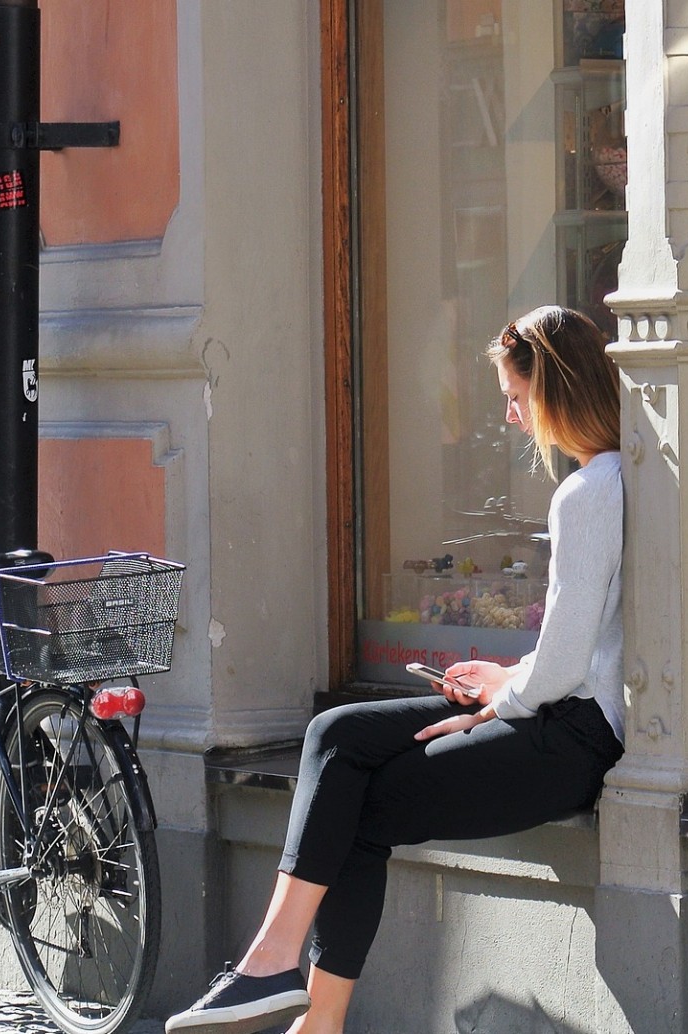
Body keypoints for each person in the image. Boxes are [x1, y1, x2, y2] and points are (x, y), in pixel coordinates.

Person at [166, 305, 628, 1034]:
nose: (511, 418)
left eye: (515, 397)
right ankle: (276, 968)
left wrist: (507, 694)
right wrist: (508, 679)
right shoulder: (614, 482)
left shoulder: (588, 492)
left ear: (556, 391)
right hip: (561, 715)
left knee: (357, 799)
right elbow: (590, 641)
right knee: (337, 731)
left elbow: (572, 662)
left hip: (572, 737)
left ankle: (292, 995)